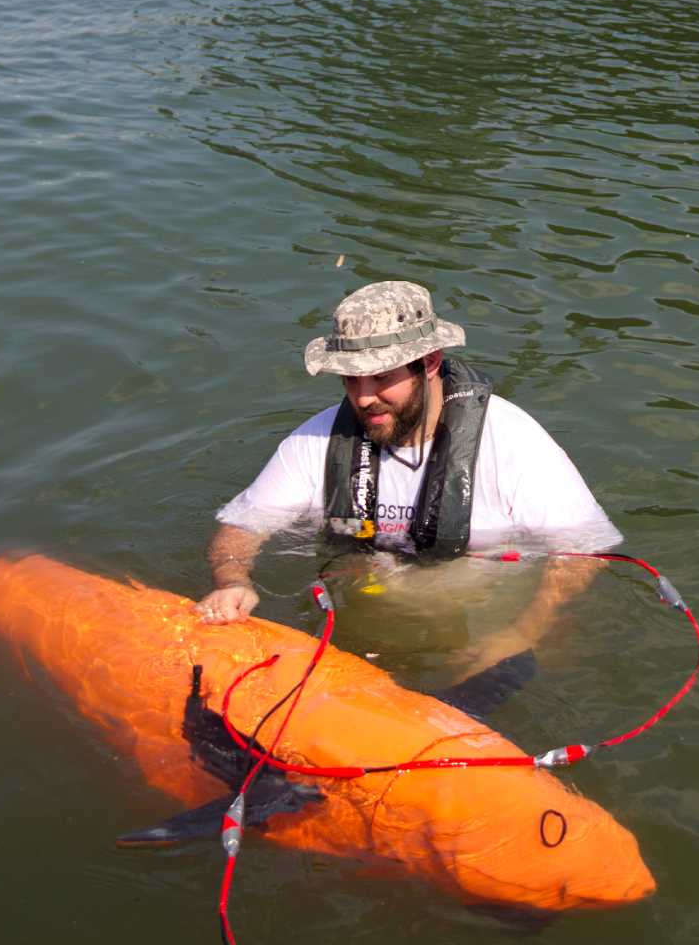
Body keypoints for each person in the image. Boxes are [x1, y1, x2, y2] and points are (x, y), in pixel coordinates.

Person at [198, 279, 621, 679]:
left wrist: (525, 631)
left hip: (478, 628)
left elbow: (584, 548)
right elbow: (241, 526)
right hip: (356, 621)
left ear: (430, 363)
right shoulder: (317, 440)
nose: (364, 397)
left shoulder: (513, 441)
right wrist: (233, 582)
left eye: (382, 377)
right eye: (351, 379)